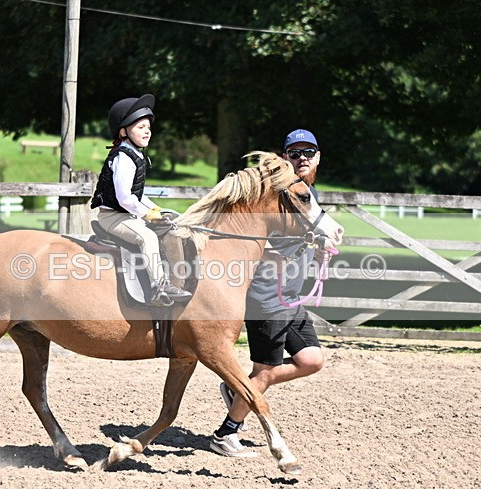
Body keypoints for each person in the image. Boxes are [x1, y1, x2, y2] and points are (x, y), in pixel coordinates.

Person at [209, 129, 325, 457]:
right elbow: (253, 238)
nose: (302, 158)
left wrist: (319, 245)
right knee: (263, 373)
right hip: (267, 296)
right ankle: (226, 434)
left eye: (309, 152)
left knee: (312, 360)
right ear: (284, 158)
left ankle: (238, 391)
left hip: (290, 296)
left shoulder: (307, 194)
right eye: (295, 153)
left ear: (318, 157)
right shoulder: (271, 197)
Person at [90, 94, 191, 306]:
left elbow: (137, 194)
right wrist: (148, 214)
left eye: (148, 127)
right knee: (147, 237)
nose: (147, 131)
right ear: (123, 132)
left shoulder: (135, 155)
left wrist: (159, 210)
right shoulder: (123, 158)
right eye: (140, 127)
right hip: (113, 217)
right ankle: (159, 287)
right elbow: (125, 198)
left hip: (126, 214)